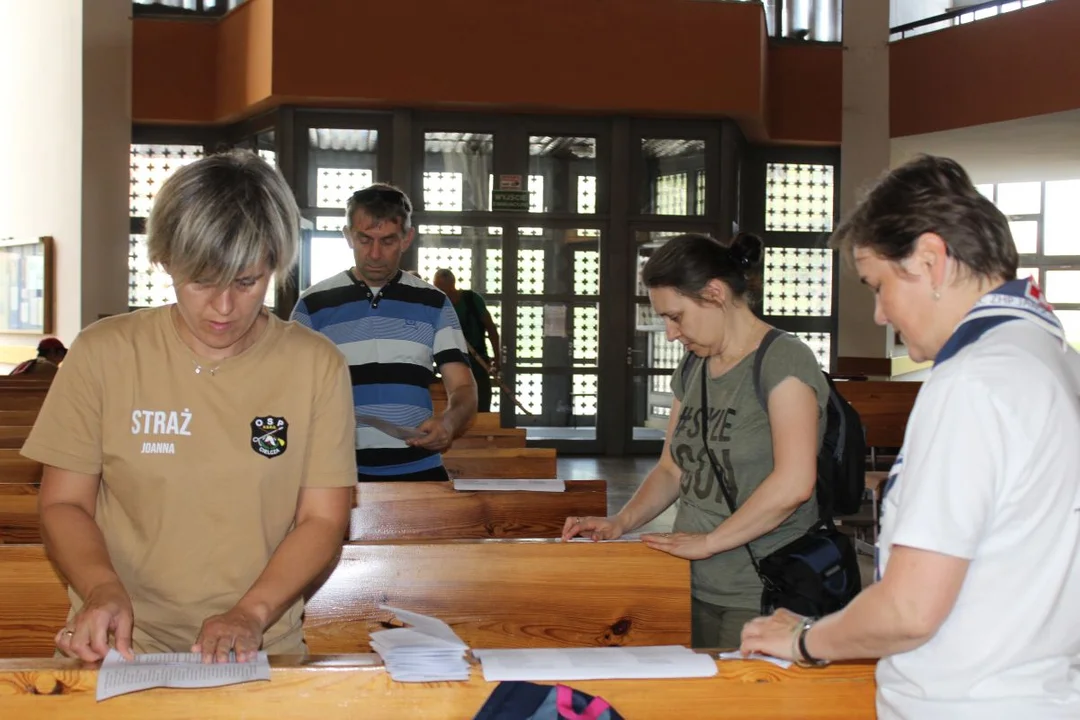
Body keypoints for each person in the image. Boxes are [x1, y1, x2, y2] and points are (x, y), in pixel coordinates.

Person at [740, 155, 1080, 719]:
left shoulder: (972, 379)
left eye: (878, 284)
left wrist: (803, 639)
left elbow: (910, 610)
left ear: (929, 260)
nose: (878, 313)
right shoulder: (1054, 361)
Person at [21, 150, 357, 664]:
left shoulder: (315, 366)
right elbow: (64, 503)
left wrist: (251, 612)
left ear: (275, 265)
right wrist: (101, 588)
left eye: (247, 282)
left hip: (260, 646)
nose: (224, 308)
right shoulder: (105, 352)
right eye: (202, 280)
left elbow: (322, 519)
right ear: (166, 261)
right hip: (118, 647)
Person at [562, 232, 828, 649]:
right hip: (690, 580)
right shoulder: (694, 367)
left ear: (715, 293)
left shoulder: (783, 359)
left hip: (760, 587)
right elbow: (672, 468)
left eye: (676, 316)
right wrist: (621, 522)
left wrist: (708, 543)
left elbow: (794, 483)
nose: (669, 333)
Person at [291, 183, 477, 482]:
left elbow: (464, 388)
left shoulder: (434, 302)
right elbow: (291, 390)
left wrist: (449, 423)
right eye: (365, 239)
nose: (375, 254)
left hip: (419, 469)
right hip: (336, 475)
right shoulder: (312, 305)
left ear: (407, 239)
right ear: (348, 235)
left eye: (388, 241)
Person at [432, 268, 500, 413]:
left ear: (452, 285)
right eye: (436, 288)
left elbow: (492, 330)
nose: (440, 293)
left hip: (477, 362)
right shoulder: (437, 306)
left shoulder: (471, 300)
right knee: (454, 407)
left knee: (481, 406)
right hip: (450, 364)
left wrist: (498, 359)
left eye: (443, 289)